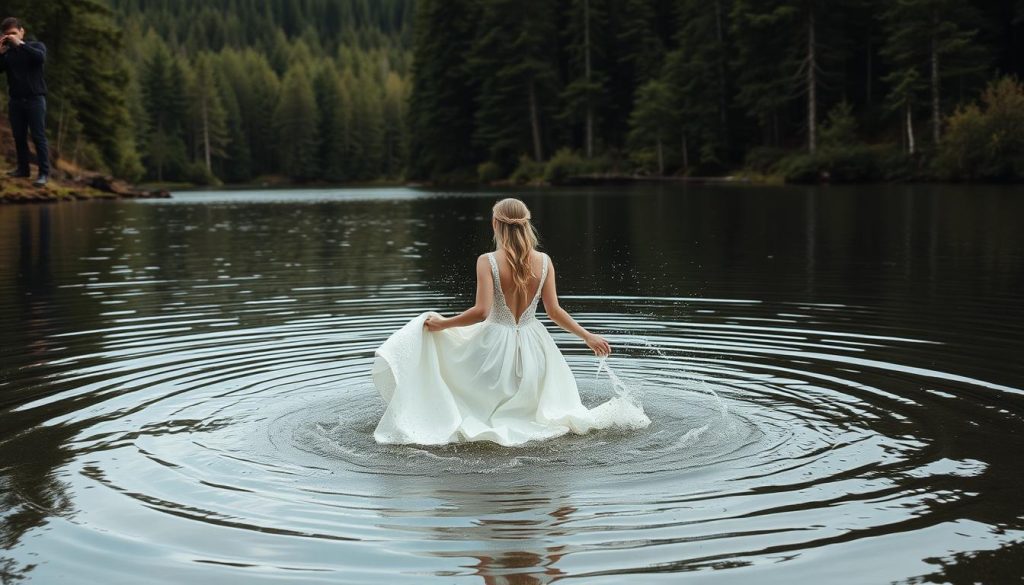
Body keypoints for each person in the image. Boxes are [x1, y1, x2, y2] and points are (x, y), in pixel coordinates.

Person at [371, 197, 650, 447]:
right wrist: (587, 336)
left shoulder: (487, 261)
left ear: (495, 224)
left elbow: (481, 312)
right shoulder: (544, 261)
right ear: (527, 223)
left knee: (463, 390)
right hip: (535, 346)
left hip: (493, 345)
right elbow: (554, 312)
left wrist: (443, 325)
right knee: (537, 409)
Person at [0, 17, 49, 187]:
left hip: (35, 100)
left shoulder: (36, 46)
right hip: (16, 102)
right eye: (7, 35)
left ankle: (43, 174)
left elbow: (40, 59)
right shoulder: (7, 54)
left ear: (22, 31)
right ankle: (23, 169)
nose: (11, 37)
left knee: (38, 136)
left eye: (13, 33)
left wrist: (19, 44)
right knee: (19, 137)